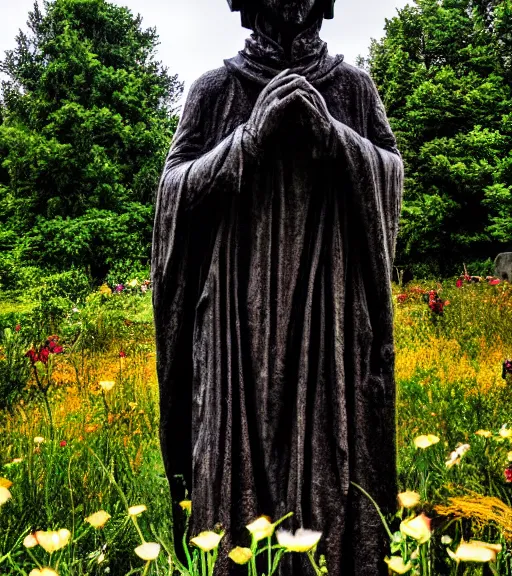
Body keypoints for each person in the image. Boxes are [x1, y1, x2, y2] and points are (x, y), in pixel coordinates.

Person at [152, 1, 403, 574]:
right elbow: (171, 194)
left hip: (327, 320)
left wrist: (333, 136)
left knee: (330, 471)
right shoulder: (214, 91)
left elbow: (390, 173)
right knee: (227, 473)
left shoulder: (352, 89)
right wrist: (247, 141)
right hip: (235, 330)